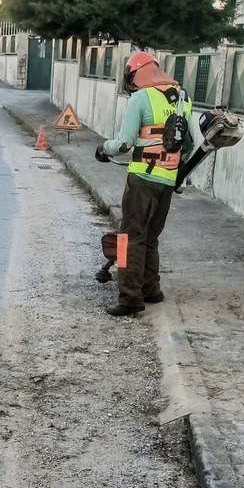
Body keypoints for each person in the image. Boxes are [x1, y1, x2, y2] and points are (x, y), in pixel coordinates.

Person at [96, 52, 193, 317]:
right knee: (150, 237)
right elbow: (190, 143)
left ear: (135, 74)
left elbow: (124, 143)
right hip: (167, 179)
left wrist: (104, 149)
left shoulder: (141, 98)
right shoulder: (182, 99)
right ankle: (151, 289)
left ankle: (129, 297)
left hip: (141, 179)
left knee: (129, 238)